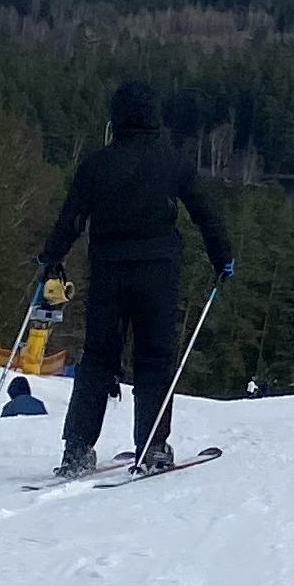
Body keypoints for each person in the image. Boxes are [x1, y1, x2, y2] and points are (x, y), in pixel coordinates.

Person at [36, 81, 234, 478]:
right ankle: (153, 446)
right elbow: (205, 214)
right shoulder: (173, 162)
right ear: (155, 118)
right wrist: (222, 257)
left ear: (117, 119)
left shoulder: (97, 164)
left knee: (97, 358)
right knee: (155, 358)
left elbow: (71, 219)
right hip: (158, 273)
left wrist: (51, 258)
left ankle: (77, 448)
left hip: (109, 272)